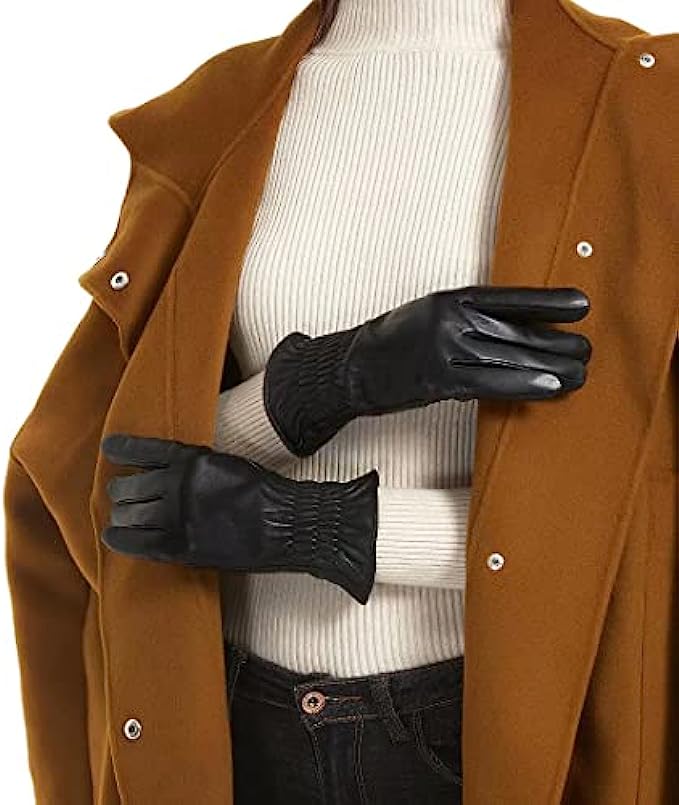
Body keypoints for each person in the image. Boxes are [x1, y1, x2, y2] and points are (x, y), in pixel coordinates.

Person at [80, 0, 588, 802]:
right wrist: (325, 380)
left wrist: (325, 525)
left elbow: (636, 526)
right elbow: (136, 474)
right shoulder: (218, 110)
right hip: (228, 722)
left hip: (479, 736)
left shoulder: (645, 107)